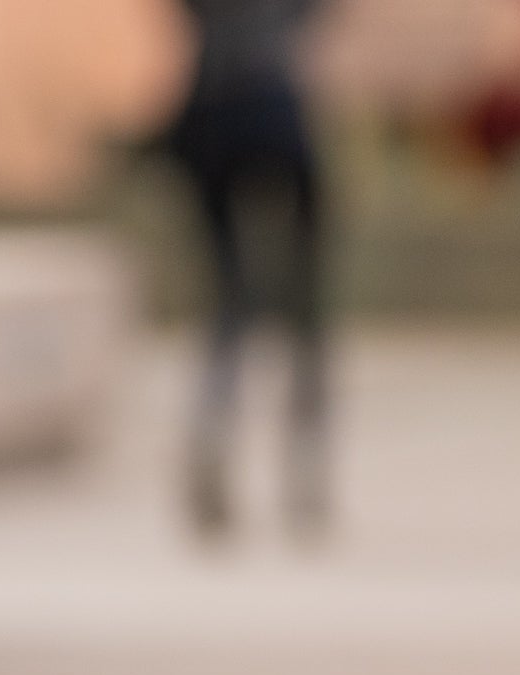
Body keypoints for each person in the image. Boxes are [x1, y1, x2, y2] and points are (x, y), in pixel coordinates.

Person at [165, 0, 331, 540]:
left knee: (229, 297)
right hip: (277, 106)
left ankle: (214, 427)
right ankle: (306, 457)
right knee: (304, 301)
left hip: (212, 112)